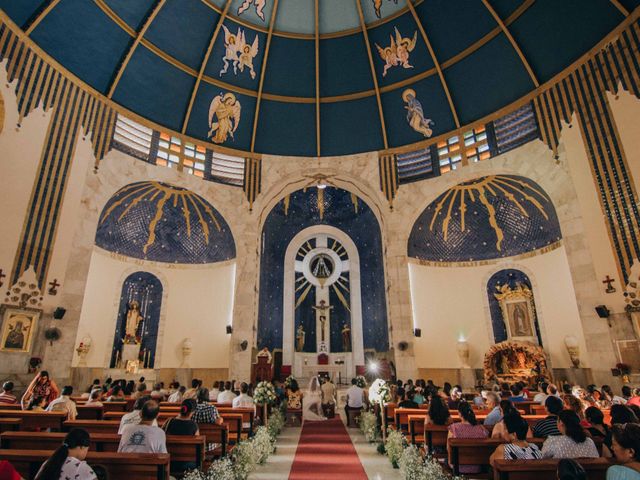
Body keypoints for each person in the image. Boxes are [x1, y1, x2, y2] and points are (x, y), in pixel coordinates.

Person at [448, 401, 488, 474]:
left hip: (457, 466)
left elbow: (448, 448)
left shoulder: (454, 428)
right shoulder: (481, 429)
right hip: (477, 467)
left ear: (460, 414)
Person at [162, 399, 199, 474]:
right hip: (187, 463)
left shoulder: (169, 421)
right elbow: (197, 444)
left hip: (170, 460)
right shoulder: (193, 425)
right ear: (192, 412)